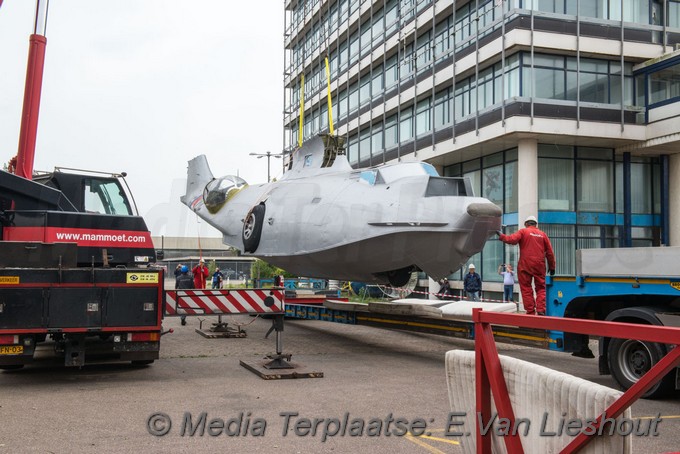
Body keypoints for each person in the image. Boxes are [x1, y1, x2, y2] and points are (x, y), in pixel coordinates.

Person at [497, 215, 556, 315]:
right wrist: (552, 267)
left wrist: (501, 235)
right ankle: (541, 310)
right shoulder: (543, 235)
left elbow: (512, 240)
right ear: (536, 224)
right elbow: (550, 252)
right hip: (539, 265)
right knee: (541, 288)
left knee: (526, 288)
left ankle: (530, 311)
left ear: (526, 224)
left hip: (525, 265)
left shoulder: (523, 232)